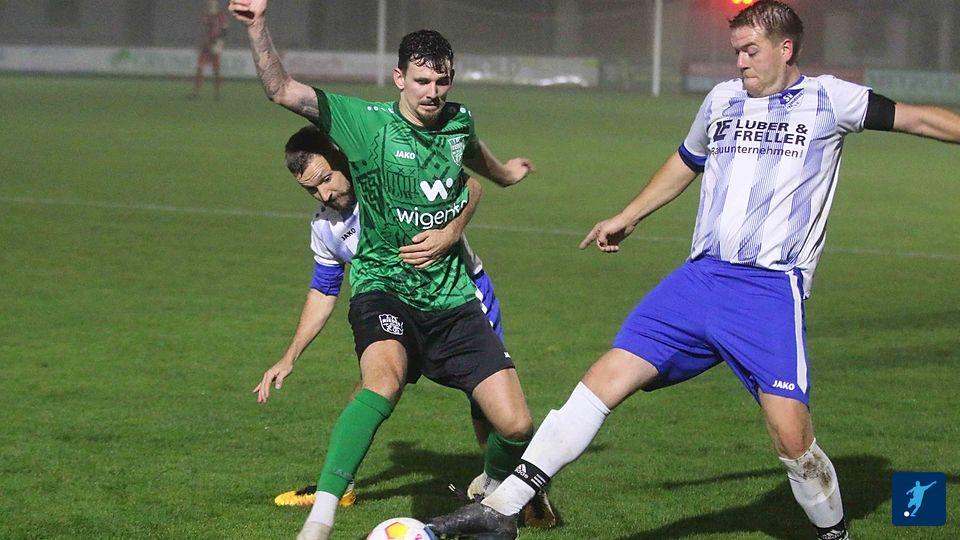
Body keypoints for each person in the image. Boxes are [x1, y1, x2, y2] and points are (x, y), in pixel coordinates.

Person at [426, 2, 960, 540]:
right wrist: (629, 215)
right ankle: (503, 508)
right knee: (602, 380)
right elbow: (687, 159)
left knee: (792, 439)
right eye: (736, 51)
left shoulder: (829, 99)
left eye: (750, 50)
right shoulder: (722, 99)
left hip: (768, 291)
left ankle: (834, 535)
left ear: (785, 48)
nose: (740, 61)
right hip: (698, 281)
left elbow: (918, 118)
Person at [228, 2, 541, 539]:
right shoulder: (365, 124)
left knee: (516, 424)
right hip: (385, 288)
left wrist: (498, 183)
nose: (432, 92)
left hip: (451, 295)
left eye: (442, 81)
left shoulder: (458, 120)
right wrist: (258, 26)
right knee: (382, 382)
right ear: (399, 78)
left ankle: (492, 491)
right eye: (421, 81)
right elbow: (282, 90)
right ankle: (320, 519)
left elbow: (473, 165)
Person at [190, 0, 228, 99]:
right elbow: (204, 32)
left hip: (214, 46)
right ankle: (195, 92)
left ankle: (217, 93)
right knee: (199, 68)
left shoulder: (221, 16)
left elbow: (224, 31)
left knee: (216, 71)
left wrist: (218, 43)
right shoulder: (206, 17)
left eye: (212, 3)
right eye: (209, 4)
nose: (210, 5)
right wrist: (202, 44)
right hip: (205, 47)